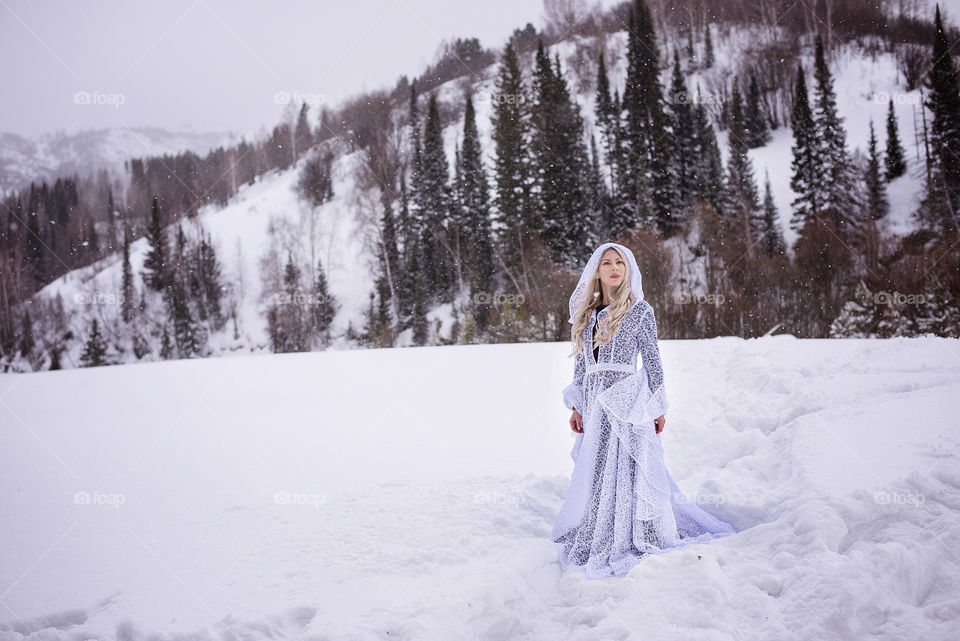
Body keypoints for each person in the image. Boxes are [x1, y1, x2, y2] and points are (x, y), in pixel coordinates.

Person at [552, 242, 736, 578]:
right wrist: (577, 405)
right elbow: (581, 365)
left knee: (627, 466)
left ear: (628, 269)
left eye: (619, 262)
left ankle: (633, 531)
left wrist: (657, 404)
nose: (613, 269)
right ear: (597, 271)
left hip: (626, 399)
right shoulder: (586, 314)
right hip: (594, 402)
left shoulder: (639, 311)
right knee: (597, 467)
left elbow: (652, 360)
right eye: (606, 263)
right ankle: (598, 528)